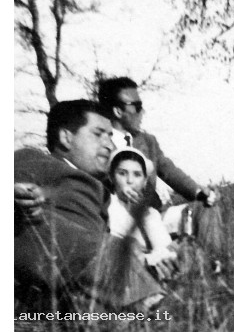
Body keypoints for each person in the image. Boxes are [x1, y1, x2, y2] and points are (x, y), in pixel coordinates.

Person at [15, 100, 164, 312]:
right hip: (39, 248)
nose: (110, 145)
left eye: (110, 136)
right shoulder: (34, 159)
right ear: (66, 137)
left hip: (81, 278)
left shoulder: (105, 188)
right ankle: (151, 304)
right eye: (98, 134)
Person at [97, 77, 224, 262]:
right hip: (123, 223)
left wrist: (199, 193)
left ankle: (212, 267)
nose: (143, 112)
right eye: (137, 106)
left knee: (206, 208)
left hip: (156, 215)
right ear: (117, 111)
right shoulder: (101, 145)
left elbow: (169, 171)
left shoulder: (148, 141)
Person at [107, 147, 178, 280]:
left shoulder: (150, 214)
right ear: (112, 177)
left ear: (145, 182)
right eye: (122, 173)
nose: (130, 181)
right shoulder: (108, 207)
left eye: (137, 175)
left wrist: (141, 212)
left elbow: (165, 249)